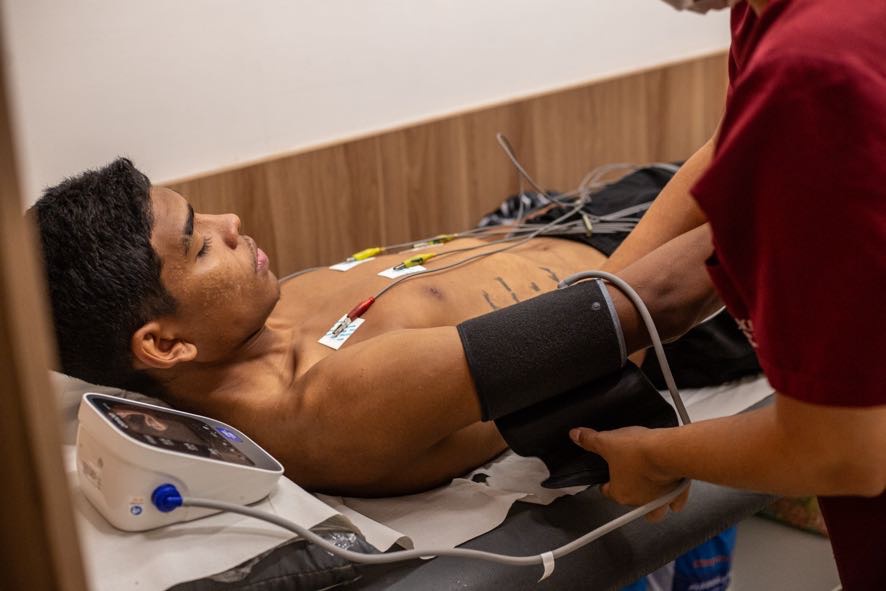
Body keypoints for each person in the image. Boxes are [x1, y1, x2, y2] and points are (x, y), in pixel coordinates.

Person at [554, 1, 884, 588]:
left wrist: (657, 454)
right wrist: (604, 312)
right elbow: (733, 143)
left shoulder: (811, 68)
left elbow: (843, 450)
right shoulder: (769, 20)